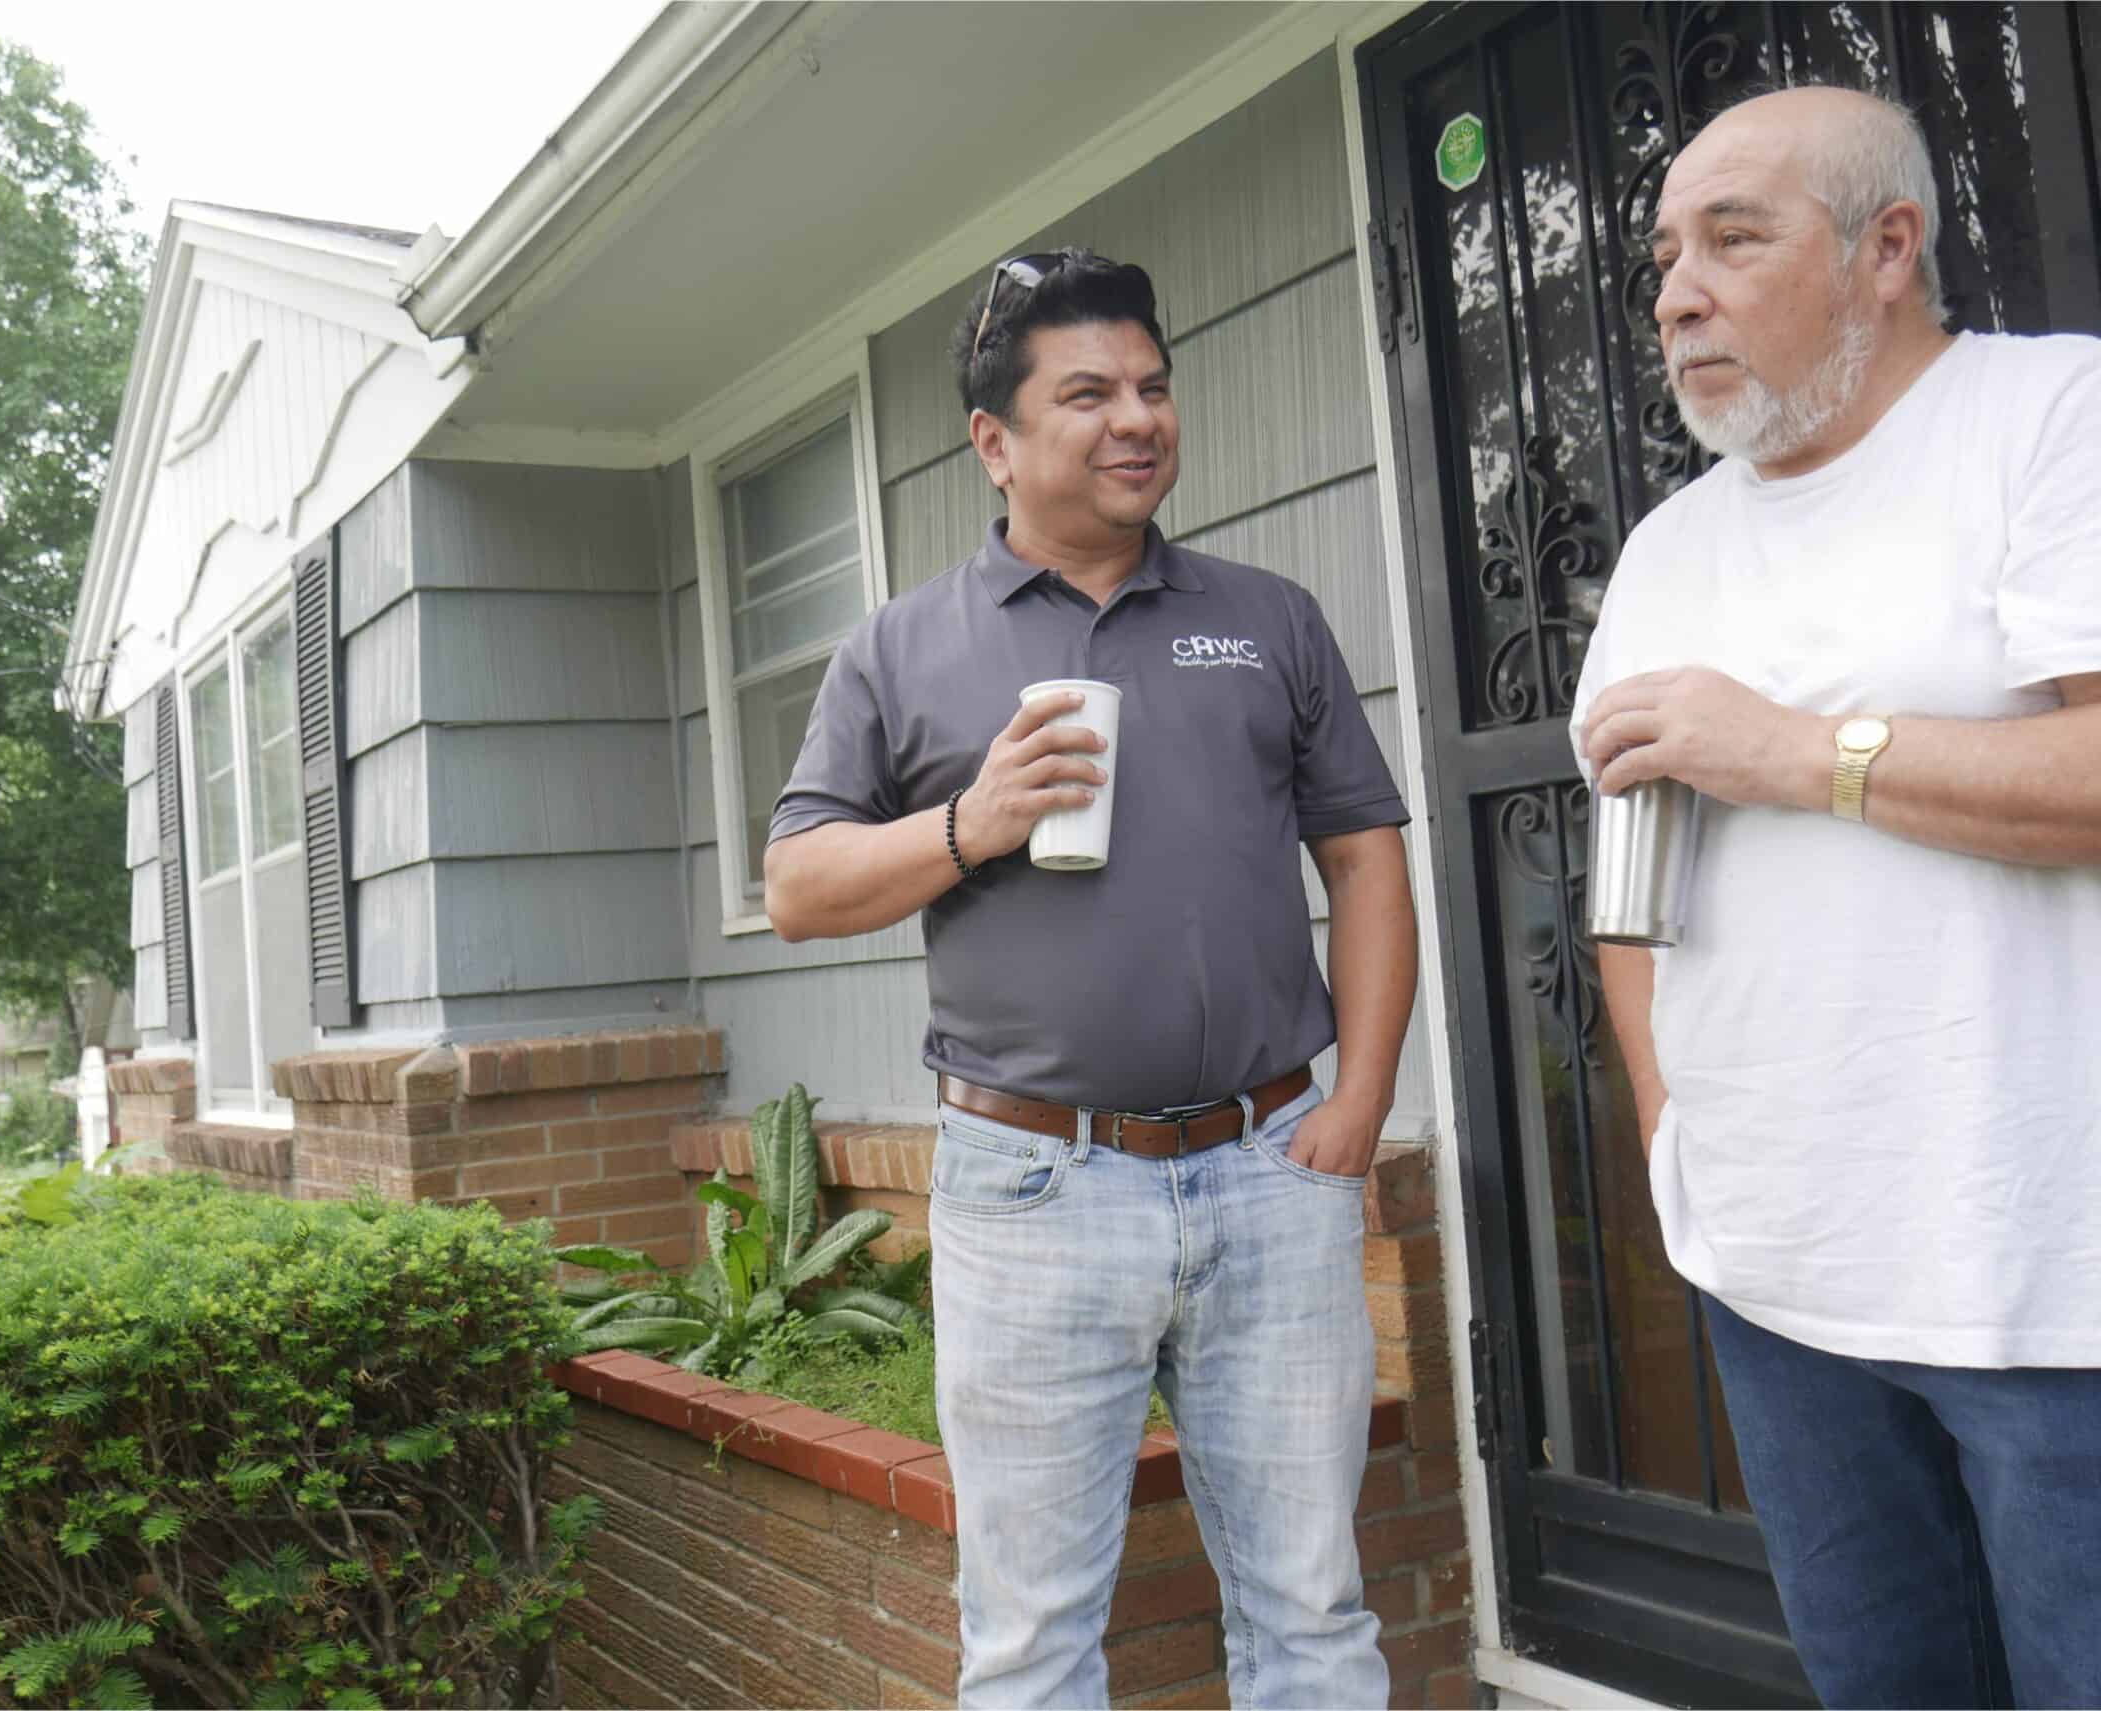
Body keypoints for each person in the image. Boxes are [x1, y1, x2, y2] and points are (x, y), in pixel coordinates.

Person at [763, 248, 1416, 1709]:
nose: (1138, 418)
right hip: (1033, 1187)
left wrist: (1360, 1101)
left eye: (1153, 386)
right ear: (993, 441)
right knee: (1031, 1642)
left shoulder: (1269, 615)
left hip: (1271, 1165)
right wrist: (970, 822)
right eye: (1089, 394)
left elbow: (1366, 857)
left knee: (1313, 1613)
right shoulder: (899, 650)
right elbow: (796, 886)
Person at [1571, 86, 2101, 1708]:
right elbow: (1627, 886)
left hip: (2051, 1288)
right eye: (1667, 256)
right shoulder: (1667, 548)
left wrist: (1804, 753)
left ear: (1888, 249)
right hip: (1777, 1282)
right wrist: (1670, 1131)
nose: (1678, 293)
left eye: (1734, 239)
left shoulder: (2051, 415)